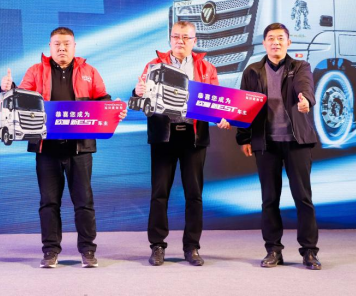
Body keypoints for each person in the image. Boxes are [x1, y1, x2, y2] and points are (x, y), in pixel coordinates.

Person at [0, 27, 126, 268]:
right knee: (49, 202)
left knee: (84, 202)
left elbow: (103, 100)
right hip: (46, 148)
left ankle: (88, 250)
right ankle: (50, 251)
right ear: (50, 47)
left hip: (80, 148)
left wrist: (114, 109)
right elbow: (20, 99)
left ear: (74, 46)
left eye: (67, 44)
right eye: (57, 44)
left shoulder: (89, 71)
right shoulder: (36, 71)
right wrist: (8, 88)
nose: (62, 48)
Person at [134, 20, 230, 267]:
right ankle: (157, 246)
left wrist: (221, 116)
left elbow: (216, 100)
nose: (180, 41)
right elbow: (141, 101)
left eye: (186, 37)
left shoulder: (206, 68)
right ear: (170, 38)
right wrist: (138, 92)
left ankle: (192, 247)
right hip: (164, 136)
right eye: (176, 36)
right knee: (159, 193)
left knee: (194, 195)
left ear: (194, 41)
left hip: (193, 137)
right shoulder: (153, 66)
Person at [236, 22, 321, 270]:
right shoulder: (252, 71)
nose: (276, 42)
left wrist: (306, 101)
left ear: (288, 42)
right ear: (264, 43)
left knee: (303, 198)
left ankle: (309, 251)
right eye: (271, 38)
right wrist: (244, 138)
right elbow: (244, 107)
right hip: (266, 144)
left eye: (281, 38)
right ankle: (273, 250)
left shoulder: (300, 67)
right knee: (269, 199)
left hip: (297, 142)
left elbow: (305, 88)